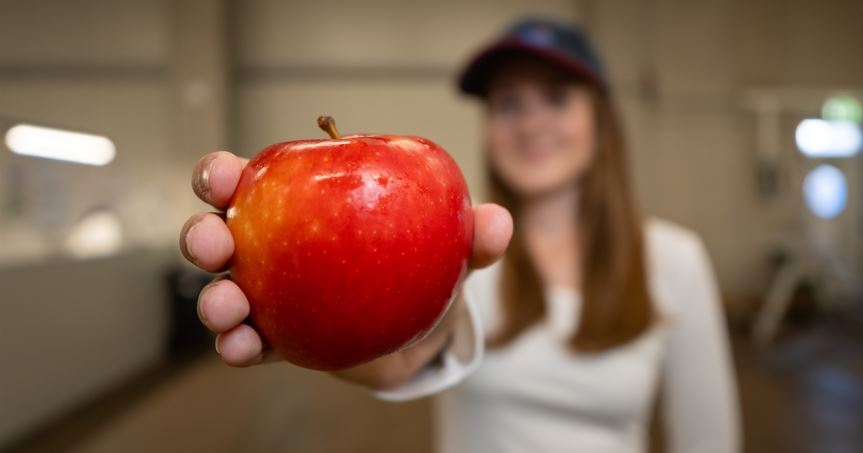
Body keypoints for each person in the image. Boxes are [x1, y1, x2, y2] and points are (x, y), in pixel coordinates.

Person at [179, 17, 740, 453]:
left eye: (556, 97)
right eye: (509, 103)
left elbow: (708, 439)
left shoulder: (675, 260)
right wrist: (323, 324)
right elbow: (404, 360)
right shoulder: (459, 258)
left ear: (602, 119)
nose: (531, 122)